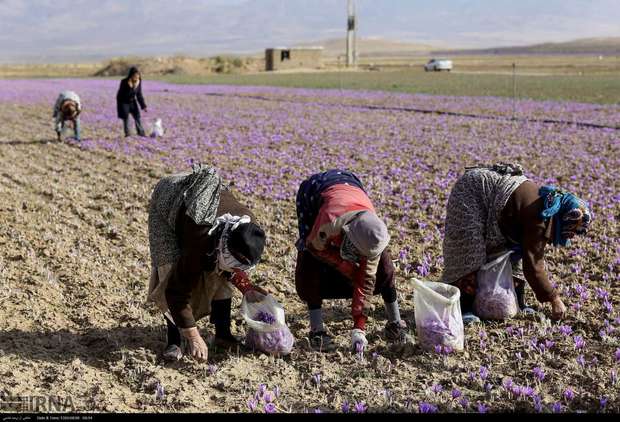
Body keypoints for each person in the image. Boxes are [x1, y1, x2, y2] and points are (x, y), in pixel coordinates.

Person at [441, 162, 592, 324]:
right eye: (570, 230)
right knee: (469, 250)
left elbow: (523, 256)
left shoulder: (548, 205)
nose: (570, 236)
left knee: (514, 253)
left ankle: (519, 301)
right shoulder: (540, 219)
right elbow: (533, 265)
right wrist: (554, 298)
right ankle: (464, 307)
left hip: (493, 198)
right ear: (563, 218)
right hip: (472, 193)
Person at [147, 163, 268, 362]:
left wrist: (247, 287)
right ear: (223, 243)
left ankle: (223, 335)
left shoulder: (249, 229)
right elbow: (175, 291)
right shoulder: (200, 240)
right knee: (169, 268)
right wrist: (194, 336)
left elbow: (232, 268)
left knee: (221, 276)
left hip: (203, 208)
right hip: (170, 200)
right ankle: (174, 340)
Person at [294, 169, 410, 352]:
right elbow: (314, 247)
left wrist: (359, 327)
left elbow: (366, 282)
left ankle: (395, 323)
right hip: (315, 191)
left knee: (385, 268)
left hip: (351, 187)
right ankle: (317, 331)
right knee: (309, 262)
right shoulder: (330, 223)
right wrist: (345, 266)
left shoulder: (373, 233)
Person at [116, 66, 147, 137]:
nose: (137, 77)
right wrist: (130, 88)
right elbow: (123, 94)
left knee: (137, 117)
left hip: (132, 101)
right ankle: (128, 134)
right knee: (126, 118)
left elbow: (139, 95)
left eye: (138, 75)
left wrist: (143, 106)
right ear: (131, 75)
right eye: (135, 75)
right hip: (123, 102)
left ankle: (141, 133)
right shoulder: (124, 82)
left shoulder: (139, 82)